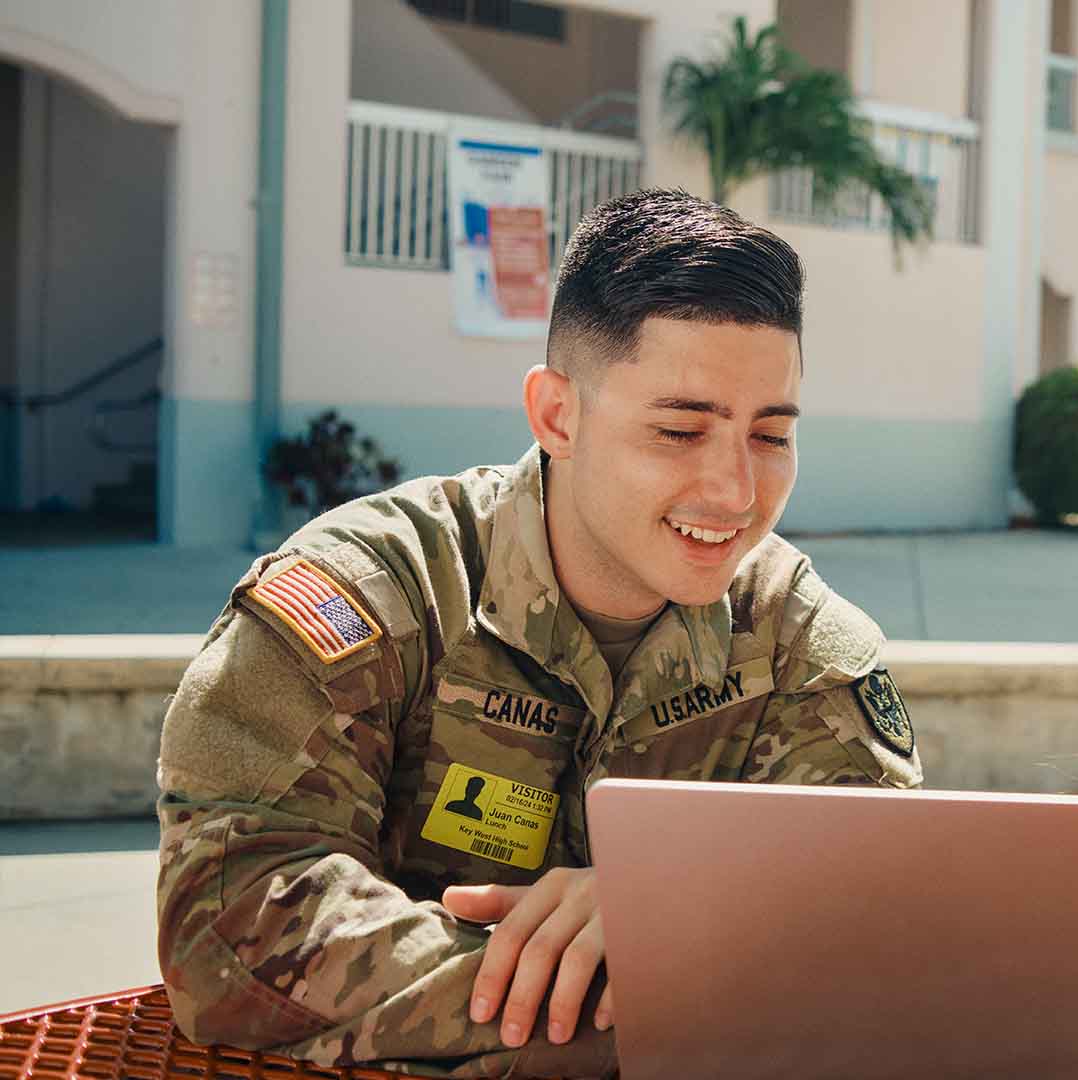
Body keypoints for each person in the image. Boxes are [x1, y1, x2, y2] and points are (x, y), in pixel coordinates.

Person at [154, 189, 923, 1078]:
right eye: (679, 430)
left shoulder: (798, 644)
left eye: (771, 436)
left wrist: (665, 913)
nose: (736, 493)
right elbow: (231, 926)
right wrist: (641, 982)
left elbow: (871, 917)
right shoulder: (378, 595)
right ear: (558, 415)